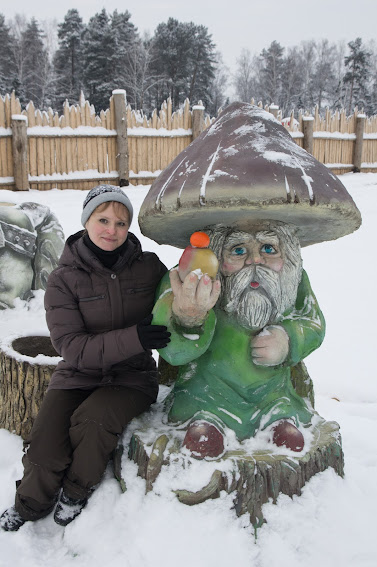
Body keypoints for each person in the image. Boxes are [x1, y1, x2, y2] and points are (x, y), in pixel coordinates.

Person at [0, 185, 170, 531]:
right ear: (86, 221)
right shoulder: (63, 279)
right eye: (103, 219)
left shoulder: (149, 268)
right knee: (45, 445)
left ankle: (76, 491)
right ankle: (30, 503)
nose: (112, 230)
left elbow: (178, 298)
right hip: (77, 374)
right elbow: (71, 347)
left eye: (122, 223)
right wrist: (134, 337)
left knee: (93, 422)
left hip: (131, 377)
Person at [153, 221, 325, 458]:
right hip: (205, 392)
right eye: (238, 250)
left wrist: (288, 339)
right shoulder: (189, 278)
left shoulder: (292, 280)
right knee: (202, 434)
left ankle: (276, 421)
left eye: (268, 248)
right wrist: (187, 318)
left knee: (287, 436)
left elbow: (312, 322)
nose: (255, 260)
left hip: (273, 393)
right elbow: (171, 349)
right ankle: (208, 422)